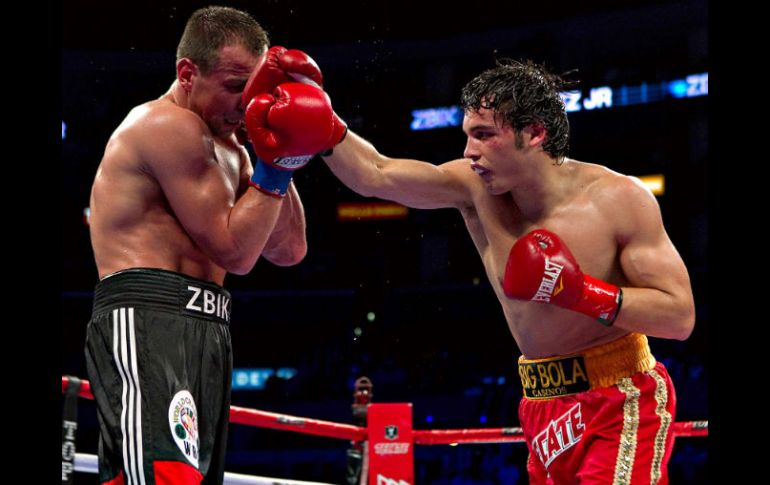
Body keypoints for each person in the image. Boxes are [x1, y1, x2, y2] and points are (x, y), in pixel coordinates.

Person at [271, 57, 695, 484]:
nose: (469, 152)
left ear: (534, 132)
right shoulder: (475, 189)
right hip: (540, 403)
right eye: (467, 136)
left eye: (484, 135)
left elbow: (679, 315)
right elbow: (377, 174)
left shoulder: (619, 199)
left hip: (618, 396)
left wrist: (580, 291)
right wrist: (324, 123)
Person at [83, 6, 333, 485]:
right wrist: (274, 170)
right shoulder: (164, 125)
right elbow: (235, 253)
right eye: (236, 86)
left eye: (256, 88)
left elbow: (289, 250)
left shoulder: (236, 148)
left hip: (208, 330)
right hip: (148, 319)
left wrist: (280, 150)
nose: (246, 102)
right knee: (163, 478)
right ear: (186, 73)